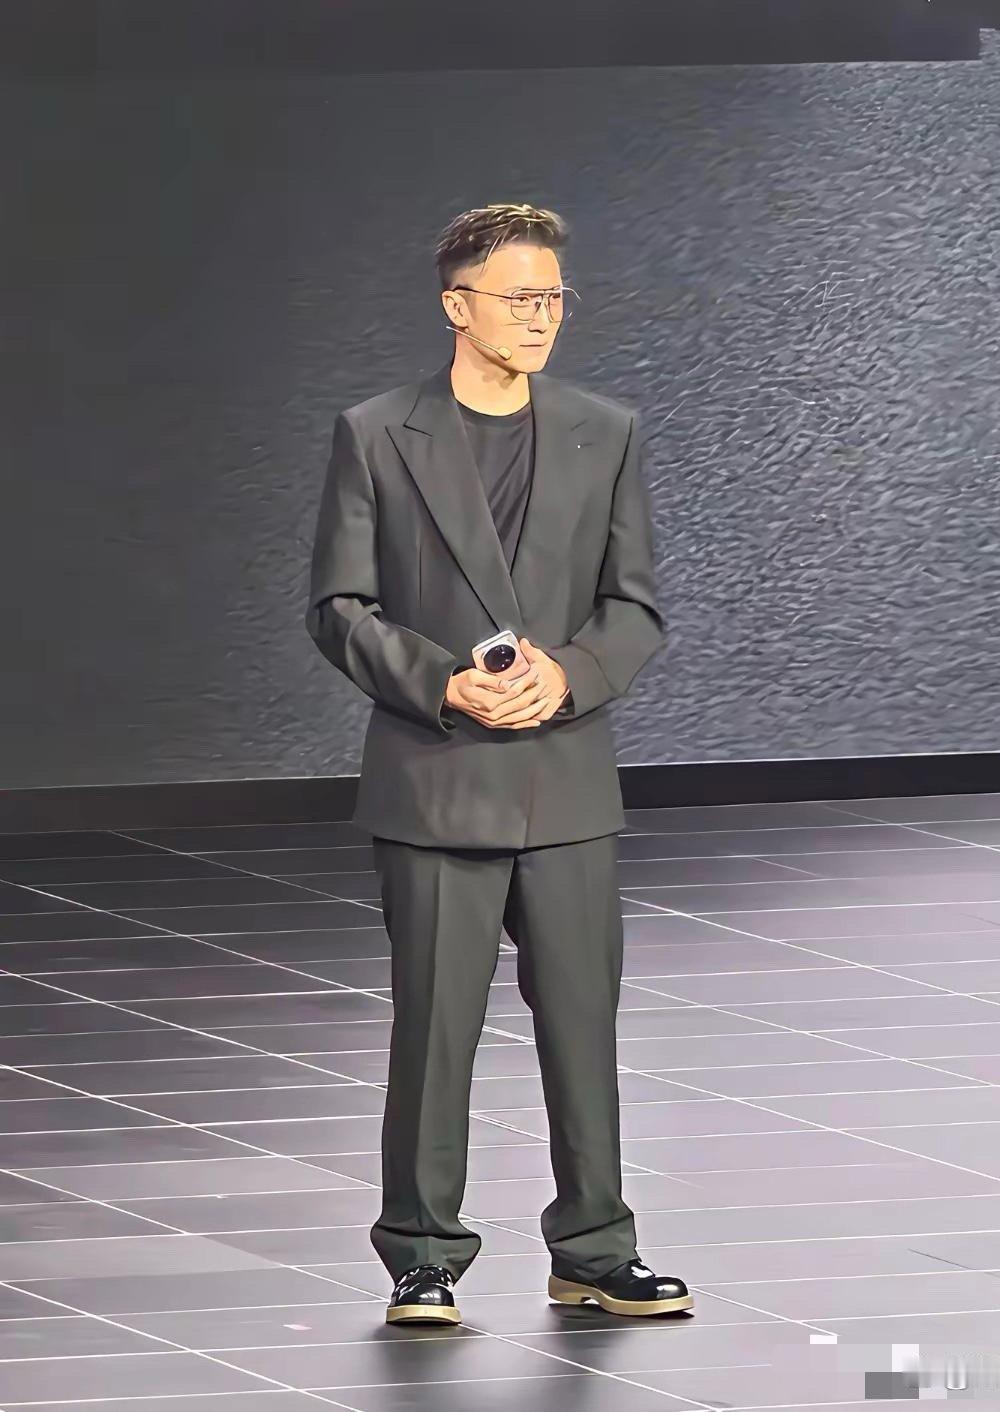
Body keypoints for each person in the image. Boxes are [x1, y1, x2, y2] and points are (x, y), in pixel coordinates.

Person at [306, 202, 692, 1325]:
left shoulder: (604, 430)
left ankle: (596, 1249)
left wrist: (568, 673)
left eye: (554, 297)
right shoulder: (379, 432)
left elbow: (635, 604)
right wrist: (443, 681)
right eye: (519, 297)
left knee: (583, 1025)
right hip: (438, 775)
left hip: (566, 777)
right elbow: (339, 605)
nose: (541, 316)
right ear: (455, 305)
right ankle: (423, 1255)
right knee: (434, 1031)